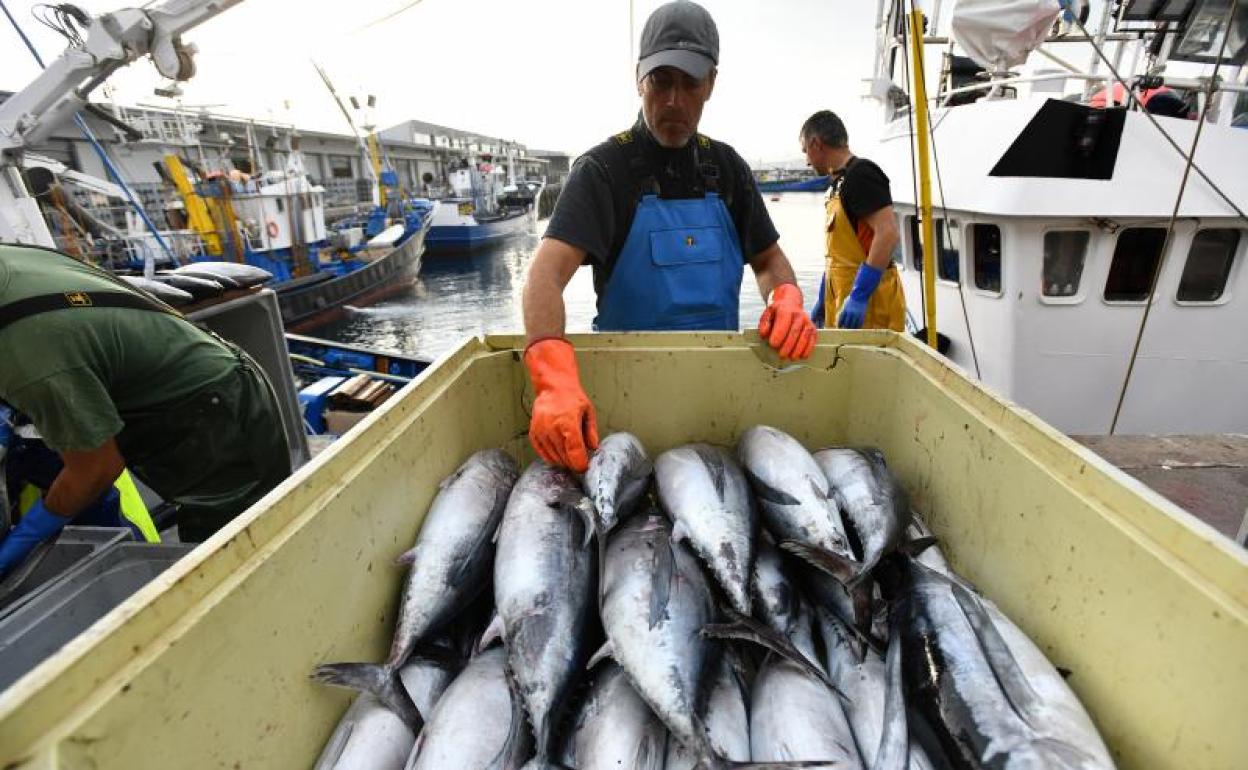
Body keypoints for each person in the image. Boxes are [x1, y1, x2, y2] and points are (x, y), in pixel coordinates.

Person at [521, 0, 816, 473]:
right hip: (623, 406)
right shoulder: (602, 171)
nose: (675, 100)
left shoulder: (728, 169)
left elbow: (767, 260)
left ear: (712, 84)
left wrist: (785, 297)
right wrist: (553, 379)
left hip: (717, 396)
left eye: (690, 82)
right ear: (639, 78)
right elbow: (544, 275)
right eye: (661, 81)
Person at [0, 243, 292, 577]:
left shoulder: (30, 360)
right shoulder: (11, 258)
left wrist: (25, 538)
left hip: (214, 412)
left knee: (233, 561)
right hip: (186, 384)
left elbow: (95, 469)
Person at [800, 110, 905, 332]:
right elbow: (836, 255)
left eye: (805, 151)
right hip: (841, 309)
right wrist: (822, 298)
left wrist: (859, 295)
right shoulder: (836, 185)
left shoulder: (862, 174)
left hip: (871, 311)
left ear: (816, 143)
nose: (806, 161)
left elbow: (887, 233)